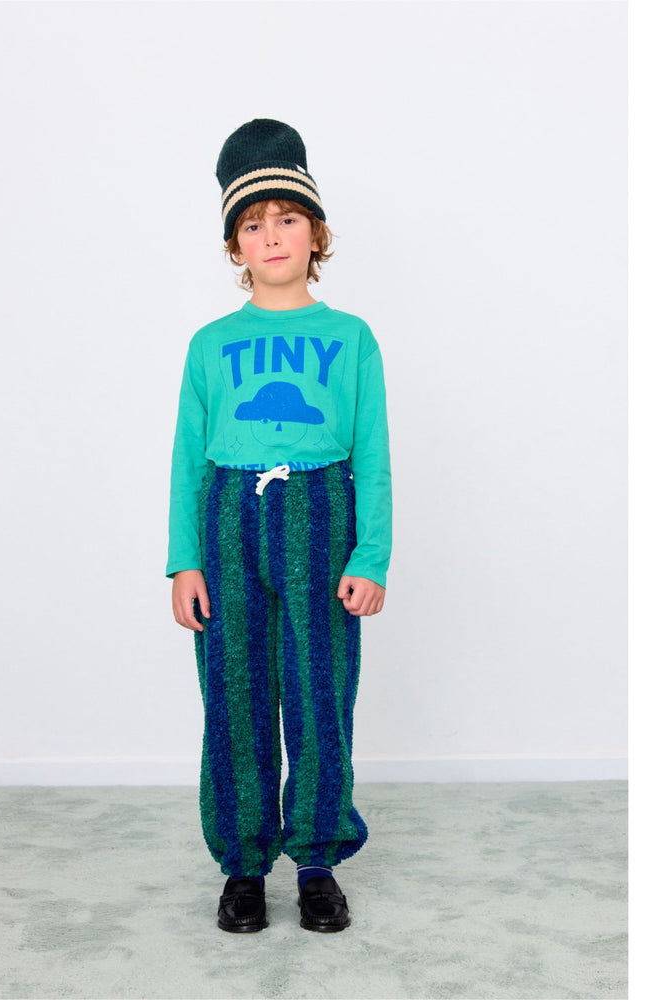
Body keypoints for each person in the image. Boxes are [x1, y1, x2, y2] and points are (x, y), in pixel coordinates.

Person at [166, 118, 392, 933]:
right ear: (235, 244)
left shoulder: (351, 338)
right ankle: (244, 864)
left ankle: (318, 861)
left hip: (322, 514)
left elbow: (373, 456)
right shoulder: (211, 345)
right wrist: (184, 560)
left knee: (319, 691)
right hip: (228, 518)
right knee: (234, 695)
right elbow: (188, 460)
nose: (271, 236)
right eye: (253, 224)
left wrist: (371, 554)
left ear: (316, 232)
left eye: (287, 218)